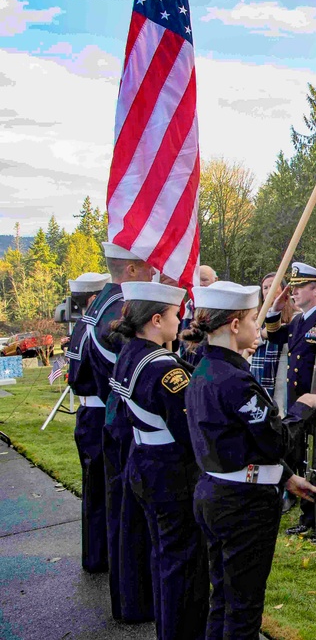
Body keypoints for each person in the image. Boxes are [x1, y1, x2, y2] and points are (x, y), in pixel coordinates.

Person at [184, 281, 316, 640]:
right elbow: (275, 442)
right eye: (254, 320)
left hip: (215, 492)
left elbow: (239, 445)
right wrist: (304, 405)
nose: (259, 327)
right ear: (235, 325)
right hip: (241, 508)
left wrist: (285, 478)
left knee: (223, 598)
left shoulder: (205, 370)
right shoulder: (235, 380)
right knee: (243, 608)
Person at [109, 281, 208, 640]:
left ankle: (167, 628)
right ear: (155, 320)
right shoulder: (164, 369)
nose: (179, 319)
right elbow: (190, 428)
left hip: (144, 462)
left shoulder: (131, 351)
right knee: (183, 567)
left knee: (164, 557)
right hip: (170, 473)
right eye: (174, 314)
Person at [86, 242, 157, 623]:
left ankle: (131, 597)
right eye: (145, 267)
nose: (151, 272)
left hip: (115, 416)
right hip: (128, 423)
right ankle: (135, 602)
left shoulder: (104, 303)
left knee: (122, 515)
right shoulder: (118, 308)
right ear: (129, 269)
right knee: (130, 521)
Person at [265, 262, 316, 535]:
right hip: (299, 403)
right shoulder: (300, 320)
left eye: (300, 287)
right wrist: (275, 309)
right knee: (300, 458)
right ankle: (308, 516)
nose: (294, 292)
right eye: (294, 287)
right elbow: (275, 336)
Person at [65, 271, 112, 574]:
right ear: (95, 298)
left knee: (93, 490)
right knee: (100, 490)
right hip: (97, 413)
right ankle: (99, 556)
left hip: (87, 413)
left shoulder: (81, 328)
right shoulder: (94, 328)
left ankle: (95, 555)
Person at [250, 272, 293, 401]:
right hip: (258, 367)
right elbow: (247, 341)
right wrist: (261, 335)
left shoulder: (294, 315)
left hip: (283, 366)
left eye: (273, 286)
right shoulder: (254, 316)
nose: (269, 291)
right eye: (265, 287)